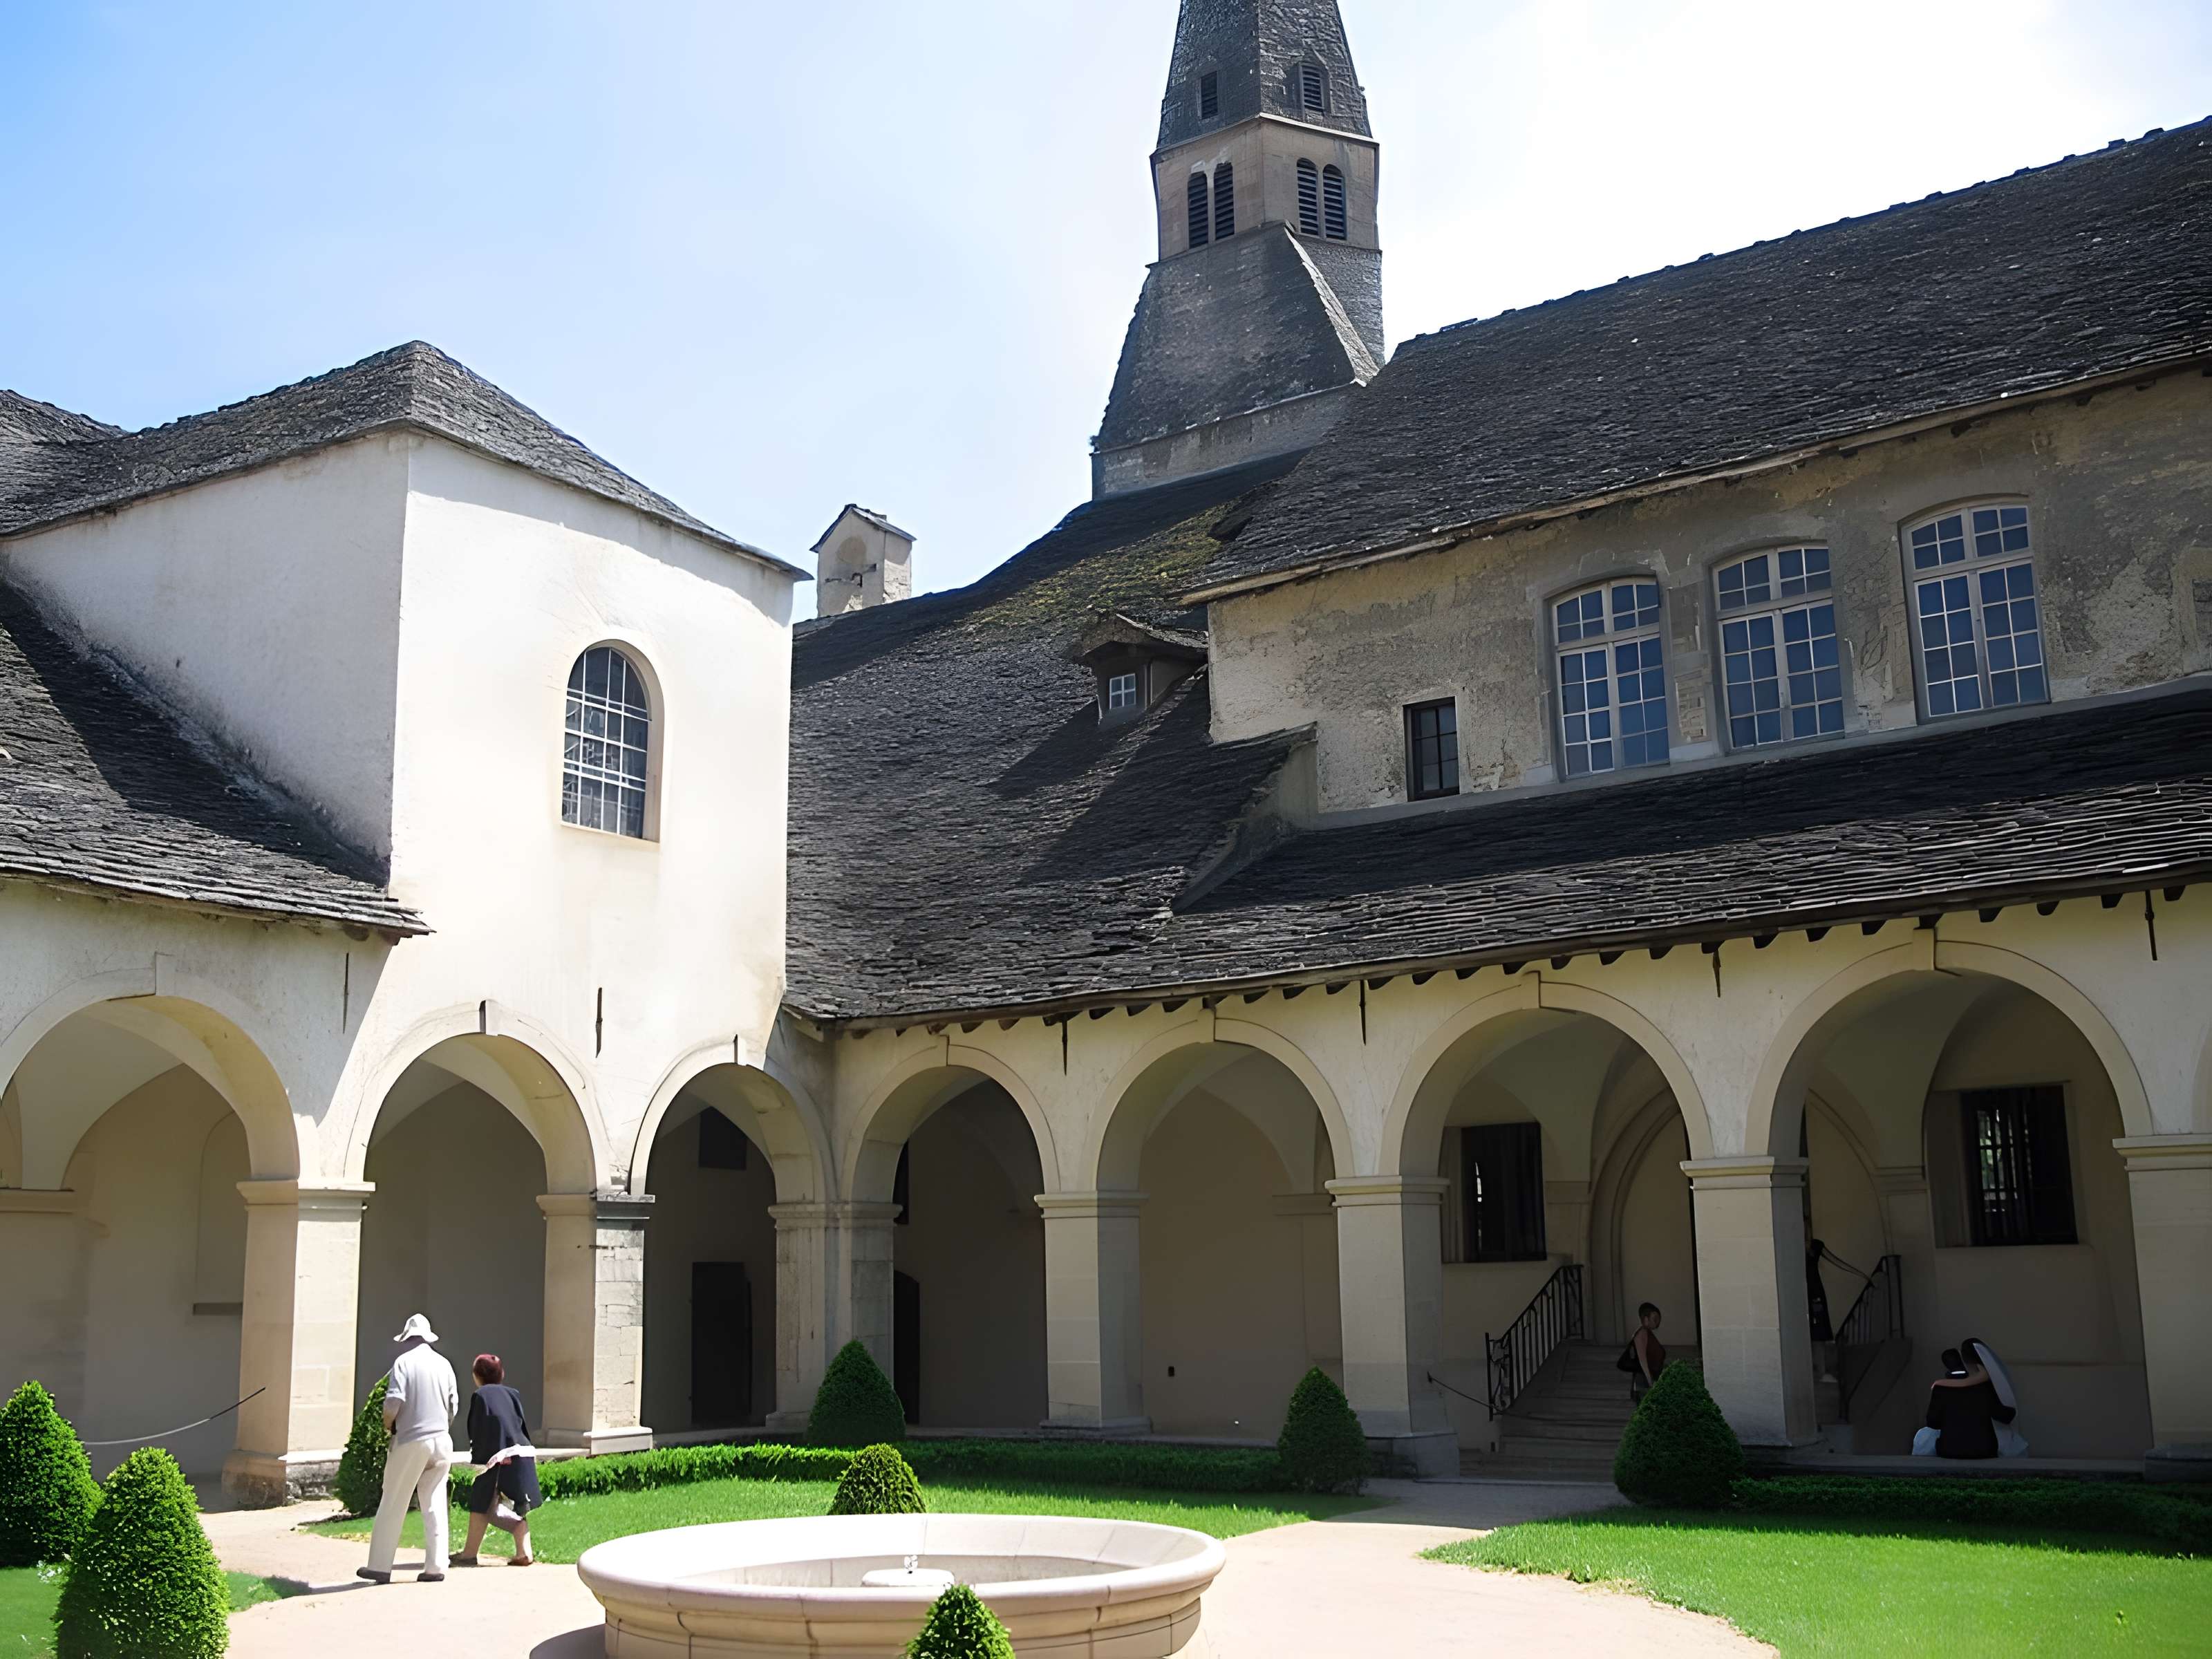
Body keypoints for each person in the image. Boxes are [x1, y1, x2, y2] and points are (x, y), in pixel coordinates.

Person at [359, 1313, 459, 1584]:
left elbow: (394, 1402)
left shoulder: (404, 1362)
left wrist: (388, 1425)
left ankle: (379, 1566)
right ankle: (436, 1566)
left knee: (394, 1499)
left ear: (407, 1339)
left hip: (412, 1439)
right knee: (435, 1502)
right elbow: (453, 1406)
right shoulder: (444, 1364)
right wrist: (441, 1427)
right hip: (441, 1439)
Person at [454, 1353, 541, 1568]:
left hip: (499, 1457)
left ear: (476, 1376)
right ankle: (523, 1548)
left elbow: (479, 1428)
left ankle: (469, 1554)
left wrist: (479, 1460)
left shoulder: (480, 1395)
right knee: (489, 1506)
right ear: (502, 1374)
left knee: (481, 1500)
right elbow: (520, 1424)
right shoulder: (513, 1394)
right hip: (523, 1452)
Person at [1922, 1340, 2016, 1459]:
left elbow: (1932, 1422)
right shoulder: (1985, 1387)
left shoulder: (1941, 1389)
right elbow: (2003, 1416)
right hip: (1984, 1450)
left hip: (1950, 1449)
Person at [1619, 1302, 1667, 1402]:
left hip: (1648, 1380)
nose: (1657, 1323)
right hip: (1643, 1382)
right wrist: (1650, 1382)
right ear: (1646, 1319)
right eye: (1655, 1319)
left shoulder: (1647, 1333)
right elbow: (1643, 1360)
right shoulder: (1642, 1334)